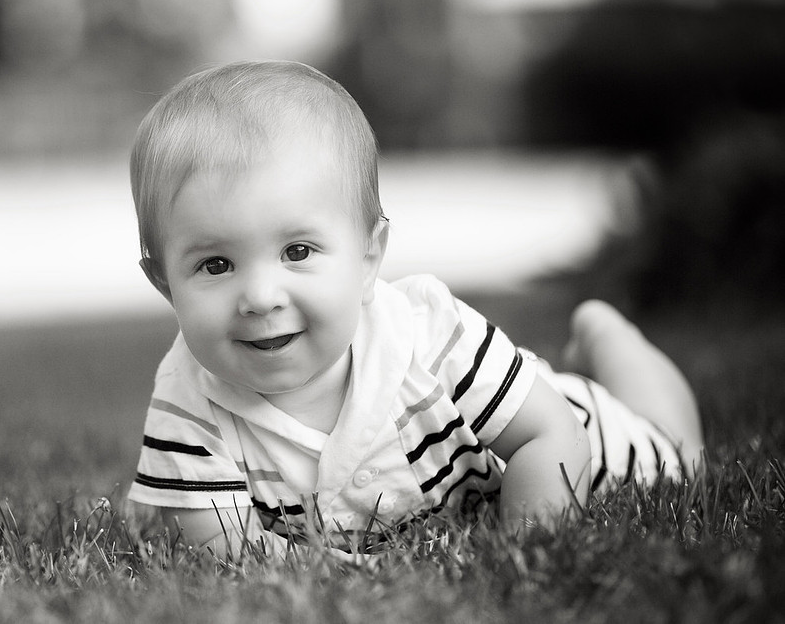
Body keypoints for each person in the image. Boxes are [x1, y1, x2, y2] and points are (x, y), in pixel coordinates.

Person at [125, 60, 703, 556]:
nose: (260, 297)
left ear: (369, 257)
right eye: (216, 265)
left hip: (592, 444)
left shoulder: (428, 335)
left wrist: (523, 556)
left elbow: (551, 435)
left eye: (297, 251)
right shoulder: (188, 403)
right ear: (164, 282)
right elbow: (223, 545)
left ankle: (609, 337)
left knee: (678, 450)